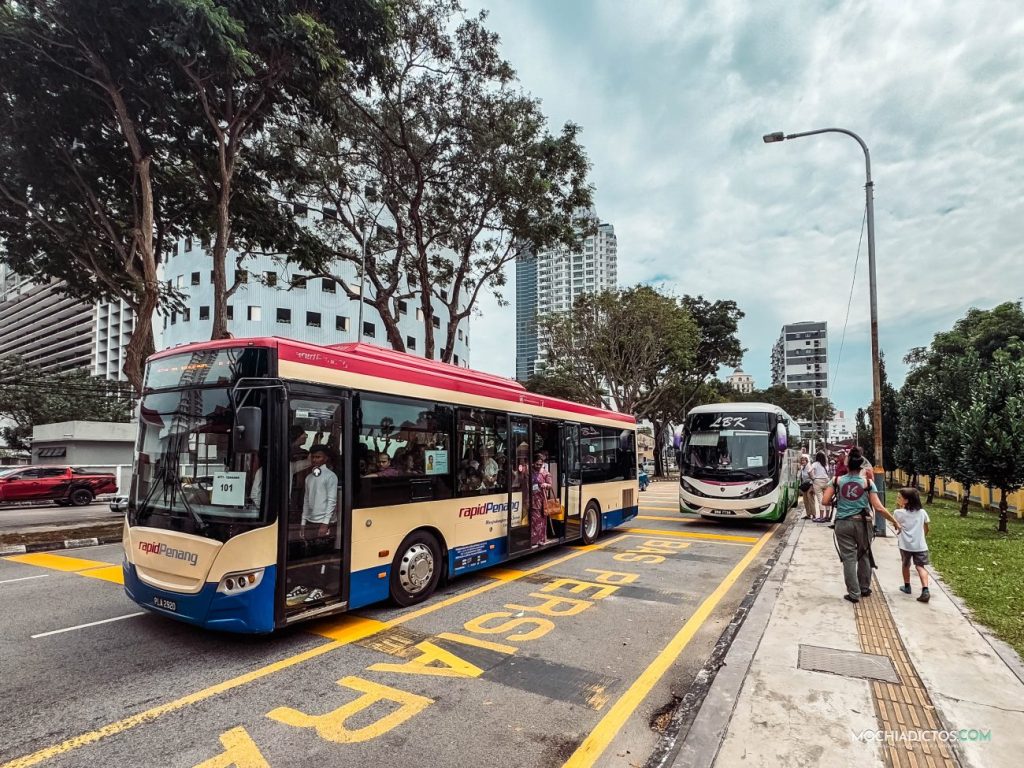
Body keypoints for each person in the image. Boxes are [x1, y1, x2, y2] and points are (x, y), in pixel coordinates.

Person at [821, 452, 900, 604]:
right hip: (864, 523)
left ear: (847, 465)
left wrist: (839, 503)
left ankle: (853, 593)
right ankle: (864, 588)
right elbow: (878, 507)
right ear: (861, 466)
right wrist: (894, 521)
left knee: (849, 558)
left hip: (843, 523)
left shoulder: (837, 480)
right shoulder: (868, 483)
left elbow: (825, 501)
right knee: (864, 554)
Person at [287, 445, 339, 605]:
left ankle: (319, 588)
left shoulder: (331, 476)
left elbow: (332, 501)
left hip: (325, 523)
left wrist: (325, 523)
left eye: (318, 457)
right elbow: (306, 501)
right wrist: (303, 523)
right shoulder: (309, 478)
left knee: (322, 557)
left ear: (325, 458)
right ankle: (305, 585)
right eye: (313, 457)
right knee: (308, 556)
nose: (315, 460)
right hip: (310, 522)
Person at [894, 487, 931, 603]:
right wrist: (921, 537)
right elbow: (926, 529)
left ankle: (907, 586)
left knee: (906, 564)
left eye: (900, 497)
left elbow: (896, 526)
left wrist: (899, 508)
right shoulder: (922, 512)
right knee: (920, 566)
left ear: (906, 501)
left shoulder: (898, 513)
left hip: (905, 545)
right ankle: (925, 589)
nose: (898, 499)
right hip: (920, 545)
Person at [529, 452, 552, 547]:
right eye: (537, 464)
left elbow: (550, 485)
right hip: (532, 499)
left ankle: (541, 539)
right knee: (534, 521)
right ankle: (534, 540)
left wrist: (546, 485)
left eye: (540, 464)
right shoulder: (530, 471)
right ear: (533, 463)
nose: (538, 466)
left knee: (542, 520)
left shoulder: (545, 473)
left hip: (542, 500)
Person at [810, 450, 831, 522]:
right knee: (827, 499)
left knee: (820, 499)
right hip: (827, 481)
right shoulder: (826, 464)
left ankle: (821, 517)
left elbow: (809, 471)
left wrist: (812, 478)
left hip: (818, 481)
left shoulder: (815, 464)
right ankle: (827, 517)